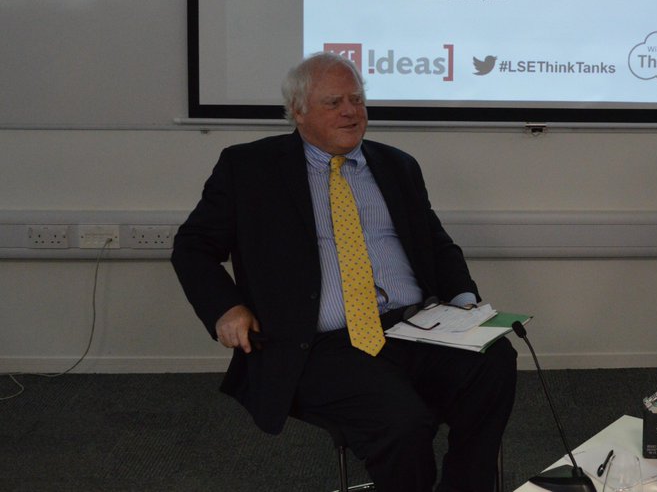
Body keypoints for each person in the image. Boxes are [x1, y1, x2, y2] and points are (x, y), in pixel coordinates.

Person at [172, 52, 515, 492]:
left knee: (494, 359)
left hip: (417, 327)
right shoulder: (250, 168)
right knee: (404, 423)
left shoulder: (397, 166)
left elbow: (436, 244)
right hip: (320, 345)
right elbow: (193, 246)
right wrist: (225, 307)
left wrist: (467, 307)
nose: (351, 112)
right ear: (298, 111)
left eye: (357, 100)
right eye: (334, 102)